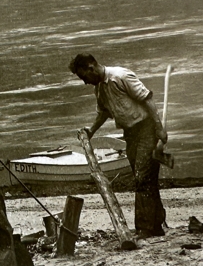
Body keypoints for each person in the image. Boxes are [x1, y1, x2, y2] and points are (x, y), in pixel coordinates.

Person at [69, 53, 167, 237]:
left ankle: (145, 228)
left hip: (146, 128)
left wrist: (159, 128)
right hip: (130, 134)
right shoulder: (99, 89)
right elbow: (103, 113)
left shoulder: (120, 76)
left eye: (84, 77)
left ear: (91, 68)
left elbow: (147, 98)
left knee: (142, 175)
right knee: (145, 179)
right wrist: (91, 131)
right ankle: (156, 225)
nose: (84, 82)